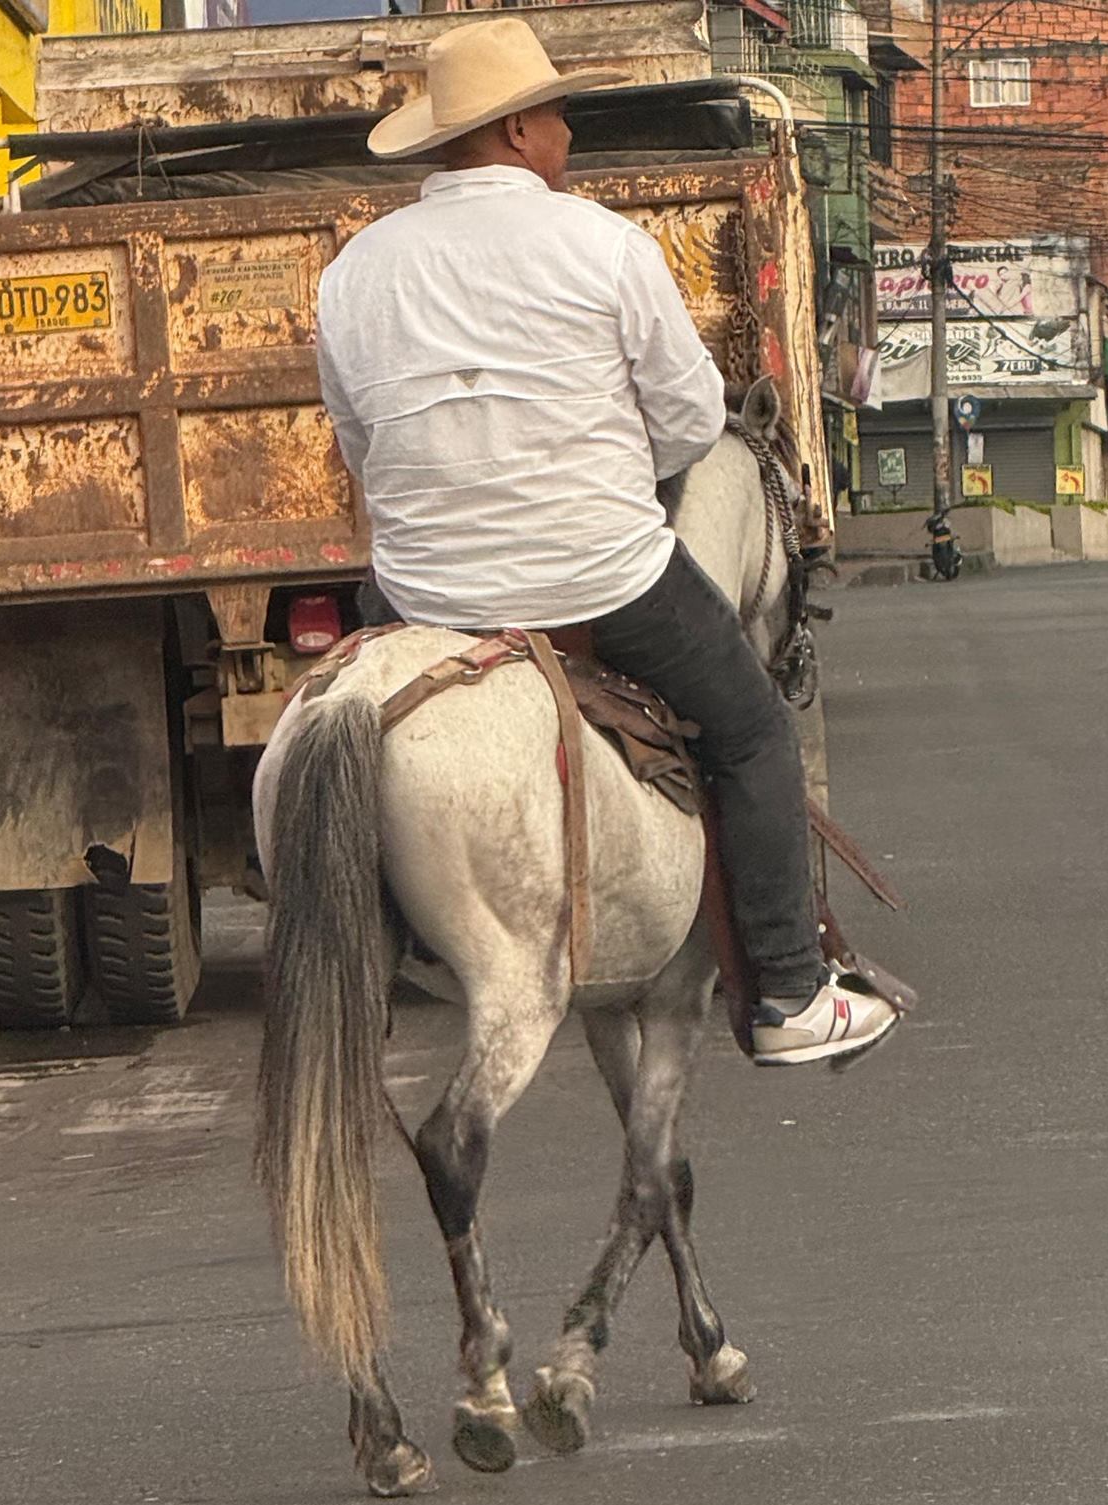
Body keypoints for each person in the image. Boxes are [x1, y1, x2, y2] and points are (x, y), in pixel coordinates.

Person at [315, 20, 899, 1067]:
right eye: (559, 113)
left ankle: (364, 951)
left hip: (423, 594)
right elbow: (684, 426)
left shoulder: (354, 270)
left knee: (339, 723)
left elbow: (356, 446)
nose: (569, 130)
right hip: (601, 581)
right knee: (756, 732)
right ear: (521, 129)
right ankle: (789, 993)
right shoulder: (604, 245)